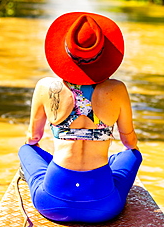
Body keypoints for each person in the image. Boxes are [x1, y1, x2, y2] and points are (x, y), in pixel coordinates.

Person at [18, 12, 142, 223]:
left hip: (52, 203)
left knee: (26, 149)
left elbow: (33, 138)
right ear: (104, 55)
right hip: (103, 207)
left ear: (64, 53)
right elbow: (129, 143)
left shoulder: (46, 87)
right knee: (133, 155)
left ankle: (48, 174)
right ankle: (106, 168)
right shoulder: (117, 89)